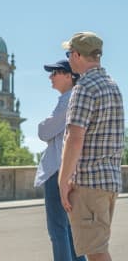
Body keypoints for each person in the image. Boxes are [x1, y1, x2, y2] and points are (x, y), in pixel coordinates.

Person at [58, 32, 125, 261]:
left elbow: (75, 138)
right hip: (109, 180)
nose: (68, 59)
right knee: (98, 247)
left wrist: (63, 180)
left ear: (77, 54)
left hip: (89, 182)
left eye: (69, 54)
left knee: (96, 252)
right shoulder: (112, 86)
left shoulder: (84, 86)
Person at [34, 60, 86, 261]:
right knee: (72, 231)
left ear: (69, 76)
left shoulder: (68, 100)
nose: (50, 76)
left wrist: (43, 126)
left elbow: (44, 131)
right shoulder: (76, 99)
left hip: (59, 171)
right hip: (72, 169)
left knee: (58, 230)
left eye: (55, 72)